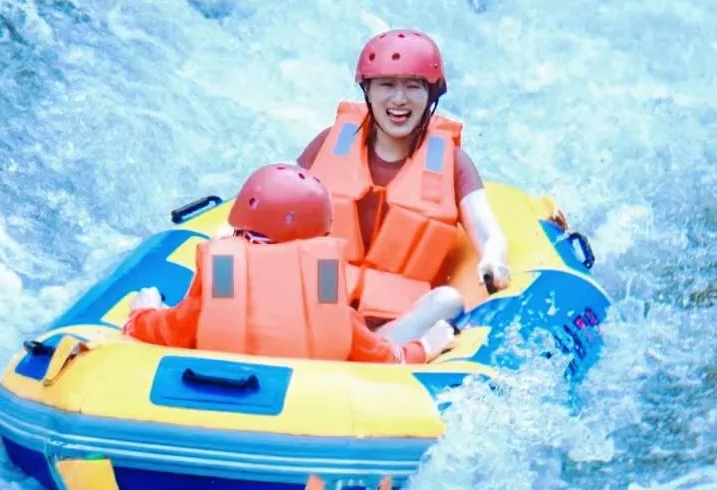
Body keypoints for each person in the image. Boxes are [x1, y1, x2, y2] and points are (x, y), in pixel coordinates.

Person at [124, 163, 457, 364]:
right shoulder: (323, 287)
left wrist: (143, 312)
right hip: (313, 407)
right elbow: (382, 358)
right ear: (319, 236)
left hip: (216, 395)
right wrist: (426, 347)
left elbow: (170, 330)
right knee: (437, 308)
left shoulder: (223, 274)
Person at [298, 29, 510, 344]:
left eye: (413, 87)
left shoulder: (452, 163)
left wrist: (494, 259)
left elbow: (487, 230)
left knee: (448, 300)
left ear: (431, 95)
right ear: (367, 90)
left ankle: (378, 349)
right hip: (322, 299)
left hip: (393, 319)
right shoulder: (330, 142)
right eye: (387, 85)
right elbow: (274, 203)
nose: (399, 100)